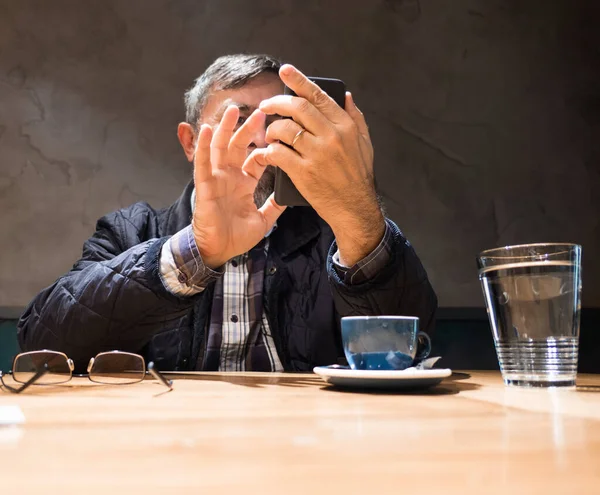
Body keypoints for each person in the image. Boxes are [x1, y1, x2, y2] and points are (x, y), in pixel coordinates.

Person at [17, 54, 437, 372]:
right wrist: (194, 252)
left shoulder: (335, 235)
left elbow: (408, 351)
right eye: (236, 120)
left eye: (274, 120)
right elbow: (41, 342)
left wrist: (357, 215)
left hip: (309, 446)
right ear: (189, 143)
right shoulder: (131, 231)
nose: (257, 139)